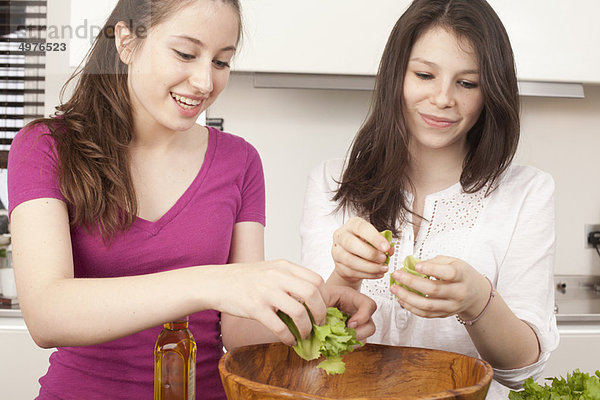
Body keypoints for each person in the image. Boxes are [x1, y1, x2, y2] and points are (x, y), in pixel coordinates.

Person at [7, 0, 376, 399]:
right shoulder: (45, 148)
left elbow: (240, 336)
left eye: (221, 62)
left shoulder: (240, 160)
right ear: (127, 42)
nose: (204, 82)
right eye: (185, 53)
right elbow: (46, 314)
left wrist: (316, 308)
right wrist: (212, 283)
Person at [300, 0, 559, 398]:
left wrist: (477, 300)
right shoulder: (332, 181)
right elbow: (311, 349)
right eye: (424, 74)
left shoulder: (527, 193)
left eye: (467, 83)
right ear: (396, 77)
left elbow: (521, 372)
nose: (442, 98)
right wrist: (346, 275)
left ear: (491, 92)